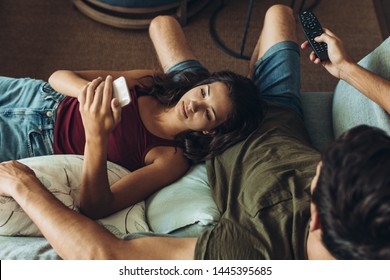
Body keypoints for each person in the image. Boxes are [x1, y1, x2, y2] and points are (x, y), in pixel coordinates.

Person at [1, 4, 389, 259]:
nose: (313, 166)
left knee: (169, 34)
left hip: (232, 129)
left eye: (319, 172)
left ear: (317, 218)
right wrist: (346, 69)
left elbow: (106, 256)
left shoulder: (254, 250)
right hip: (282, 119)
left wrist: (24, 186)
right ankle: (244, 85)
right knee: (279, 14)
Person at [0, 42, 264, 219]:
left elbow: (97, 206)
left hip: (34, 142)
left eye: (208, 113)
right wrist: (88, 96)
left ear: (211, 131)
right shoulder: (149, 82)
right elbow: (57, 77)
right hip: (34, 94)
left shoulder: (171, 158)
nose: (194, 103)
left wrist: (97, 134)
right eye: (204, 92)